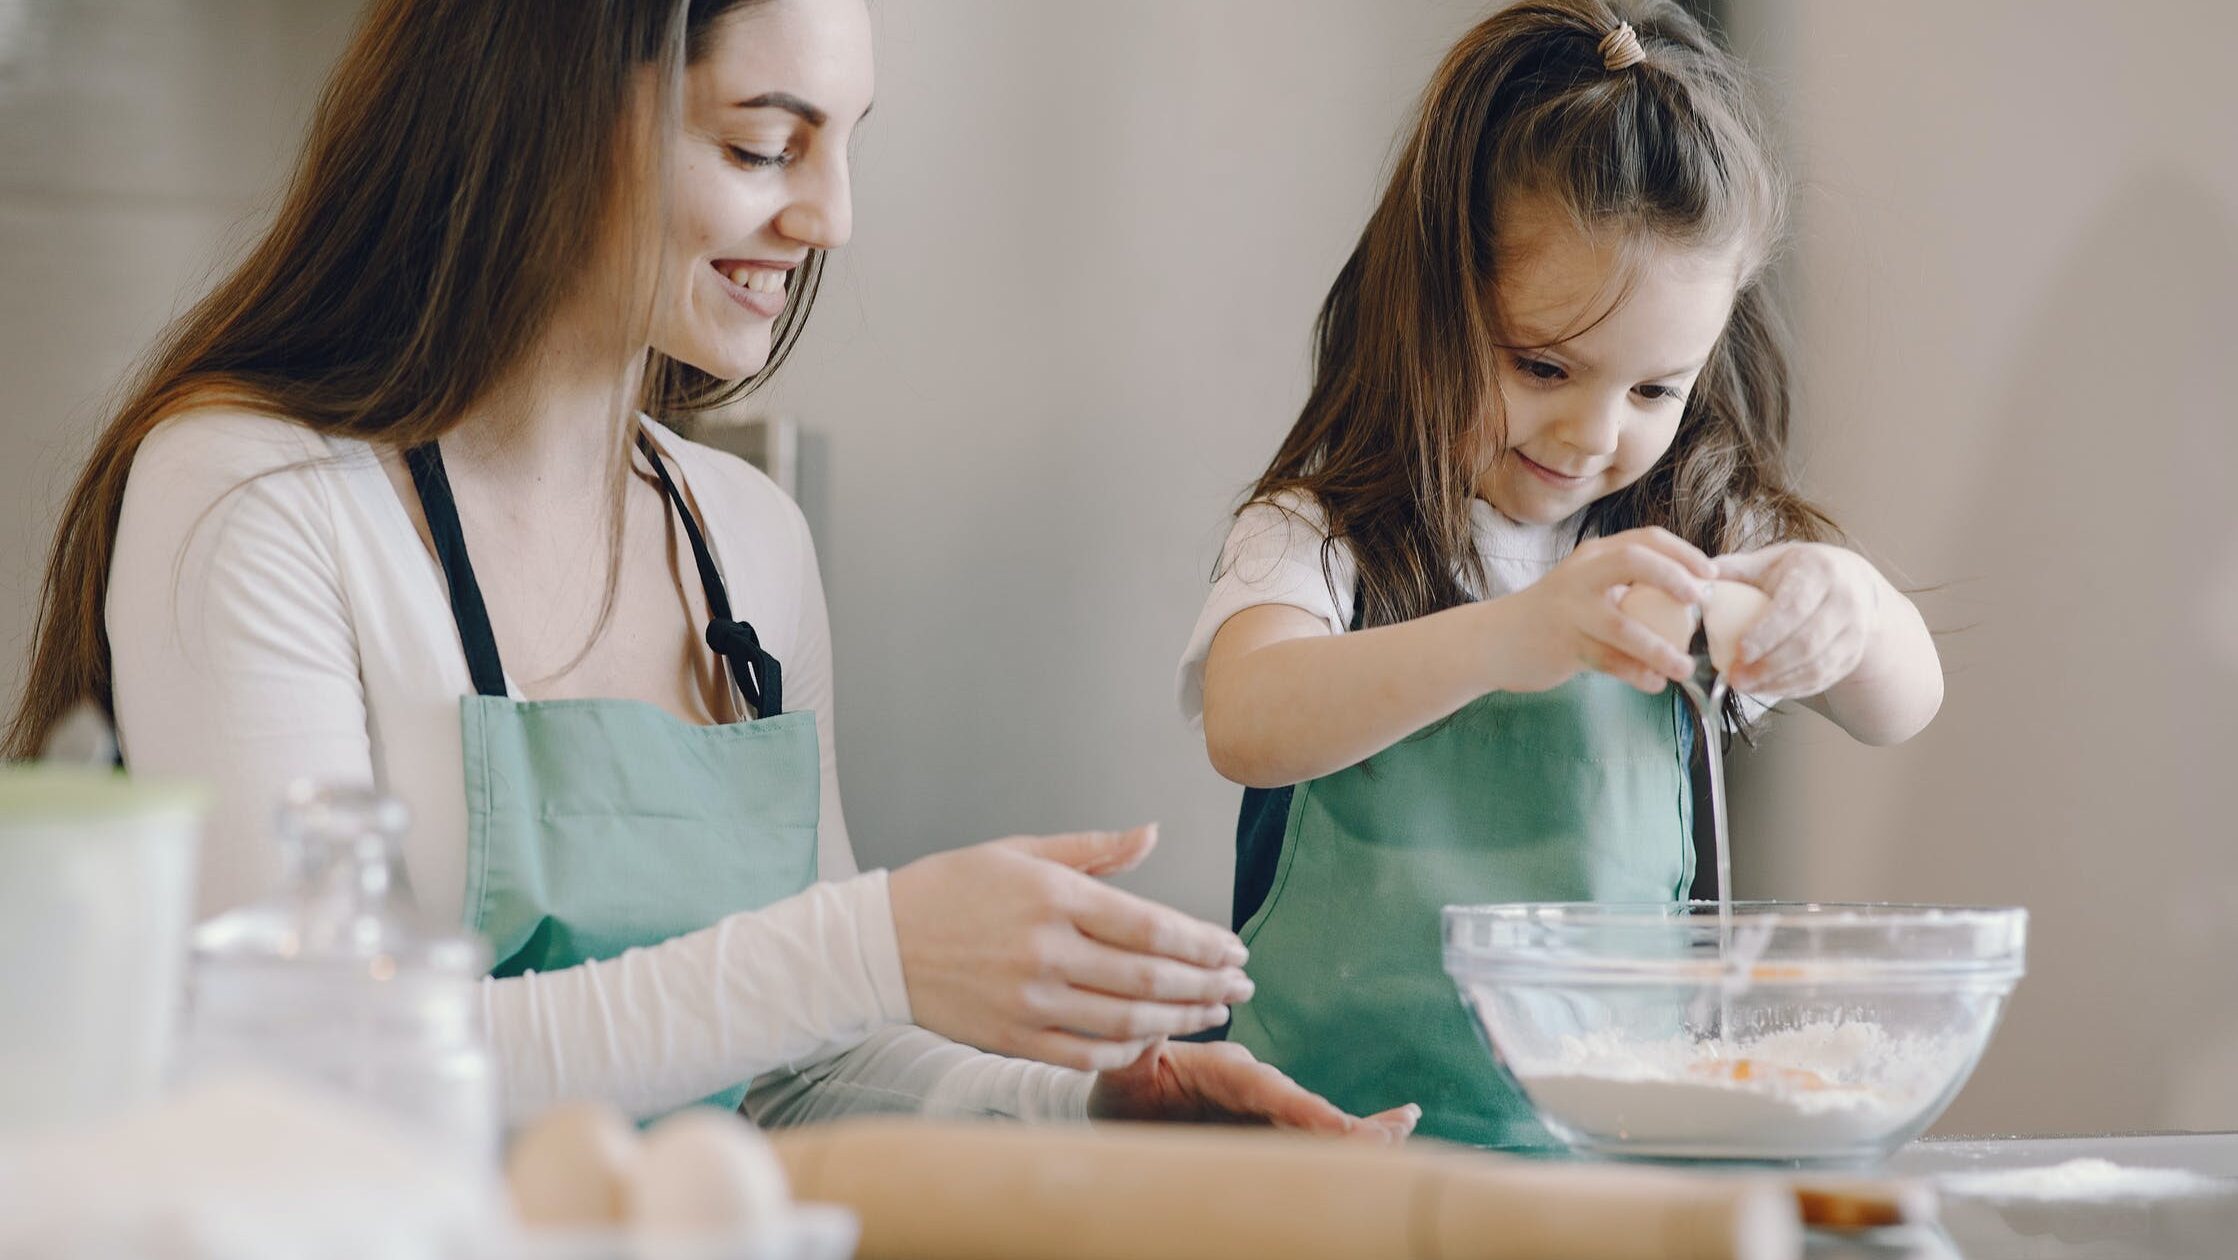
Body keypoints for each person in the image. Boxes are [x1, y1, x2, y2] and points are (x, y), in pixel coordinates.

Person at [5, 0, 1415, 1140]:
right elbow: (313, 1072)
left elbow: (800, 1068)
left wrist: (1092, 1108)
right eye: (763, 146)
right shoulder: (257, 497)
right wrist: (868, 945)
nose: (831, 218)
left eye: (844, 146)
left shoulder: (744, 541)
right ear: (544, 113)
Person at [1178, 0, 1943, 1147]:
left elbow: (1902, 706)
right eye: (1544, 366)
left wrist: (1849, 609)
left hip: (1602, 1152)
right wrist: (1511, 636)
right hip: (1329, 1151)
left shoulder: (1687, 541)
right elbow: (1250, 722)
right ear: (1429, 310)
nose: (1594, 434)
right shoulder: (1323, 534)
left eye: (1654, 390)